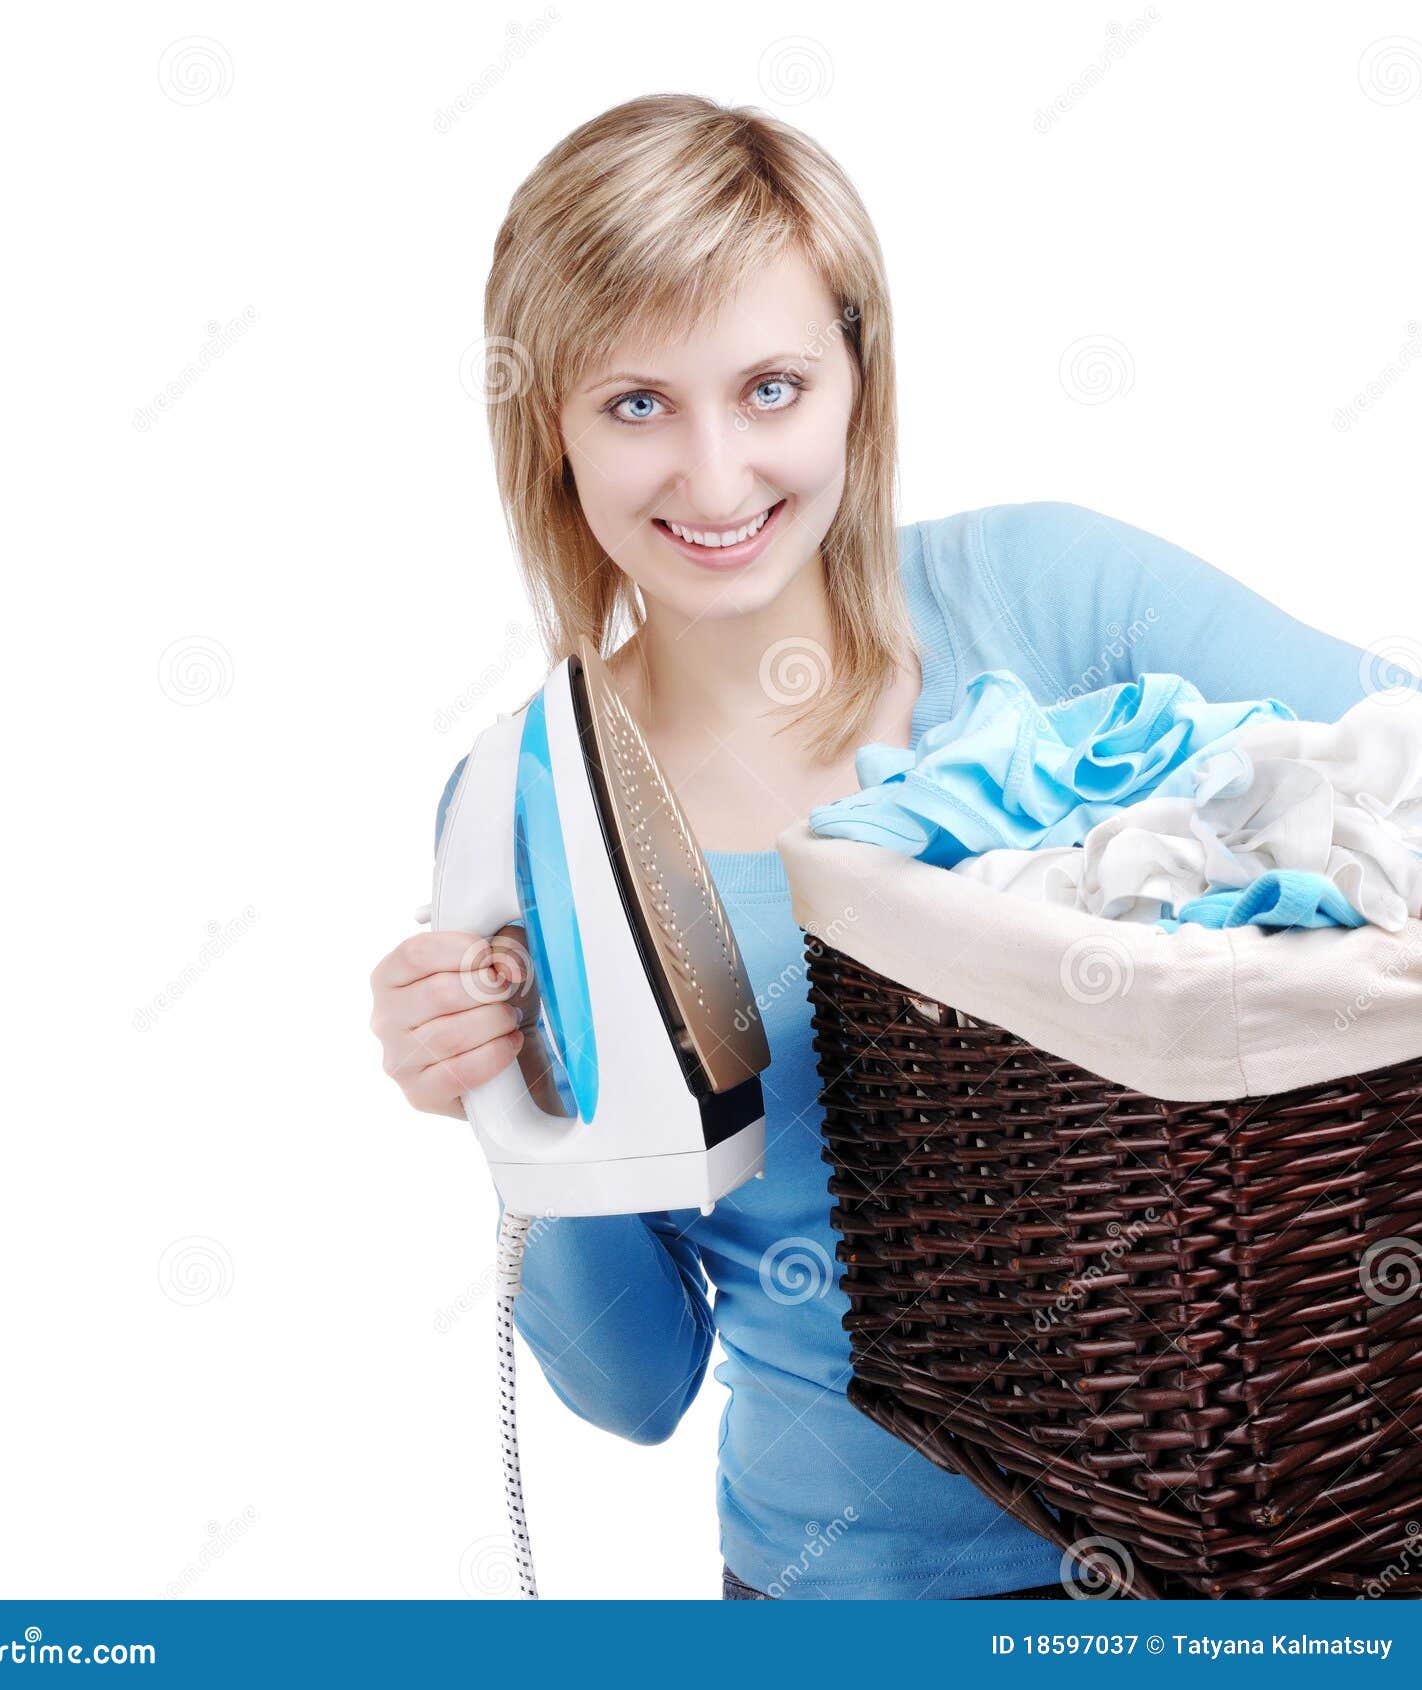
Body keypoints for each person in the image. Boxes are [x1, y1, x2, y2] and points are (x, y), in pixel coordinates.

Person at [368, 93, 1417, 1599]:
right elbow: (637, 1387)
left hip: (1268, 1556)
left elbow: (1397, 771)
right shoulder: (535, 813)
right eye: (636, 404)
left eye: (773, 387)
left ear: (860, 377)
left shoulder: (1057, 597)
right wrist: (507, 1116)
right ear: (550, 428)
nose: (717, 479)